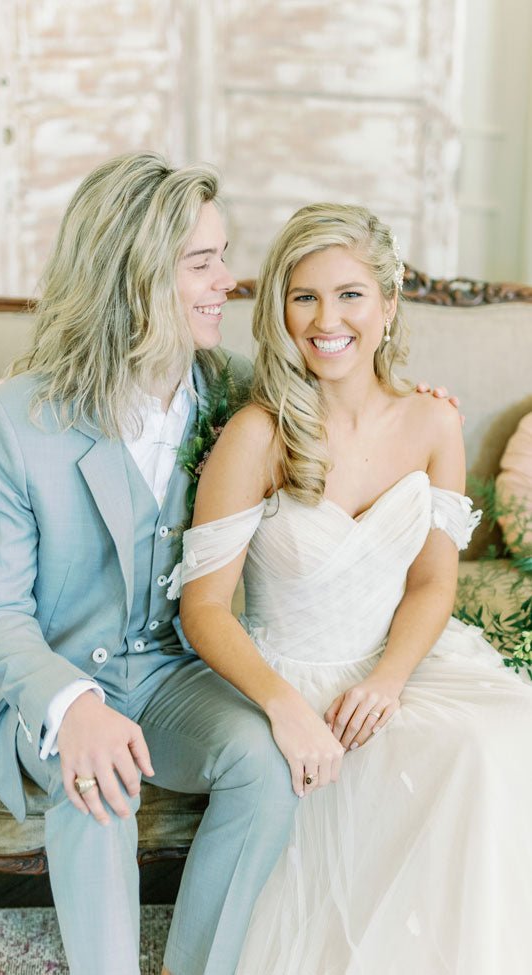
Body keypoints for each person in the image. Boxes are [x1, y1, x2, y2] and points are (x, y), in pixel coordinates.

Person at [0, 152, 300, 975]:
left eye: (224, 256)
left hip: (178, 674)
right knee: (97, 774)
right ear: (134, 275)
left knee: (268, 761)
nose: (228, 280)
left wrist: (420, 408)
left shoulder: (241, 393)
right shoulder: (16, 417)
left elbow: (349, 419)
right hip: (57, 670)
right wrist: (70, 706)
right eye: (202, 262)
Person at [177, 203, 532, 974]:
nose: (325, 318)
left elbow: (435, 581)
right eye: (304, 296)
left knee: (506, 736)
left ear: (388, 304)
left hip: (397, 663)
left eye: (349, 295)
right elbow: (203, 609)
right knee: (454, 757)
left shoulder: (433, 421)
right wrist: (285, 706)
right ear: (280, 309)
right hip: (293, 676)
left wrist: (389, 679)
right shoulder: (257, 435)